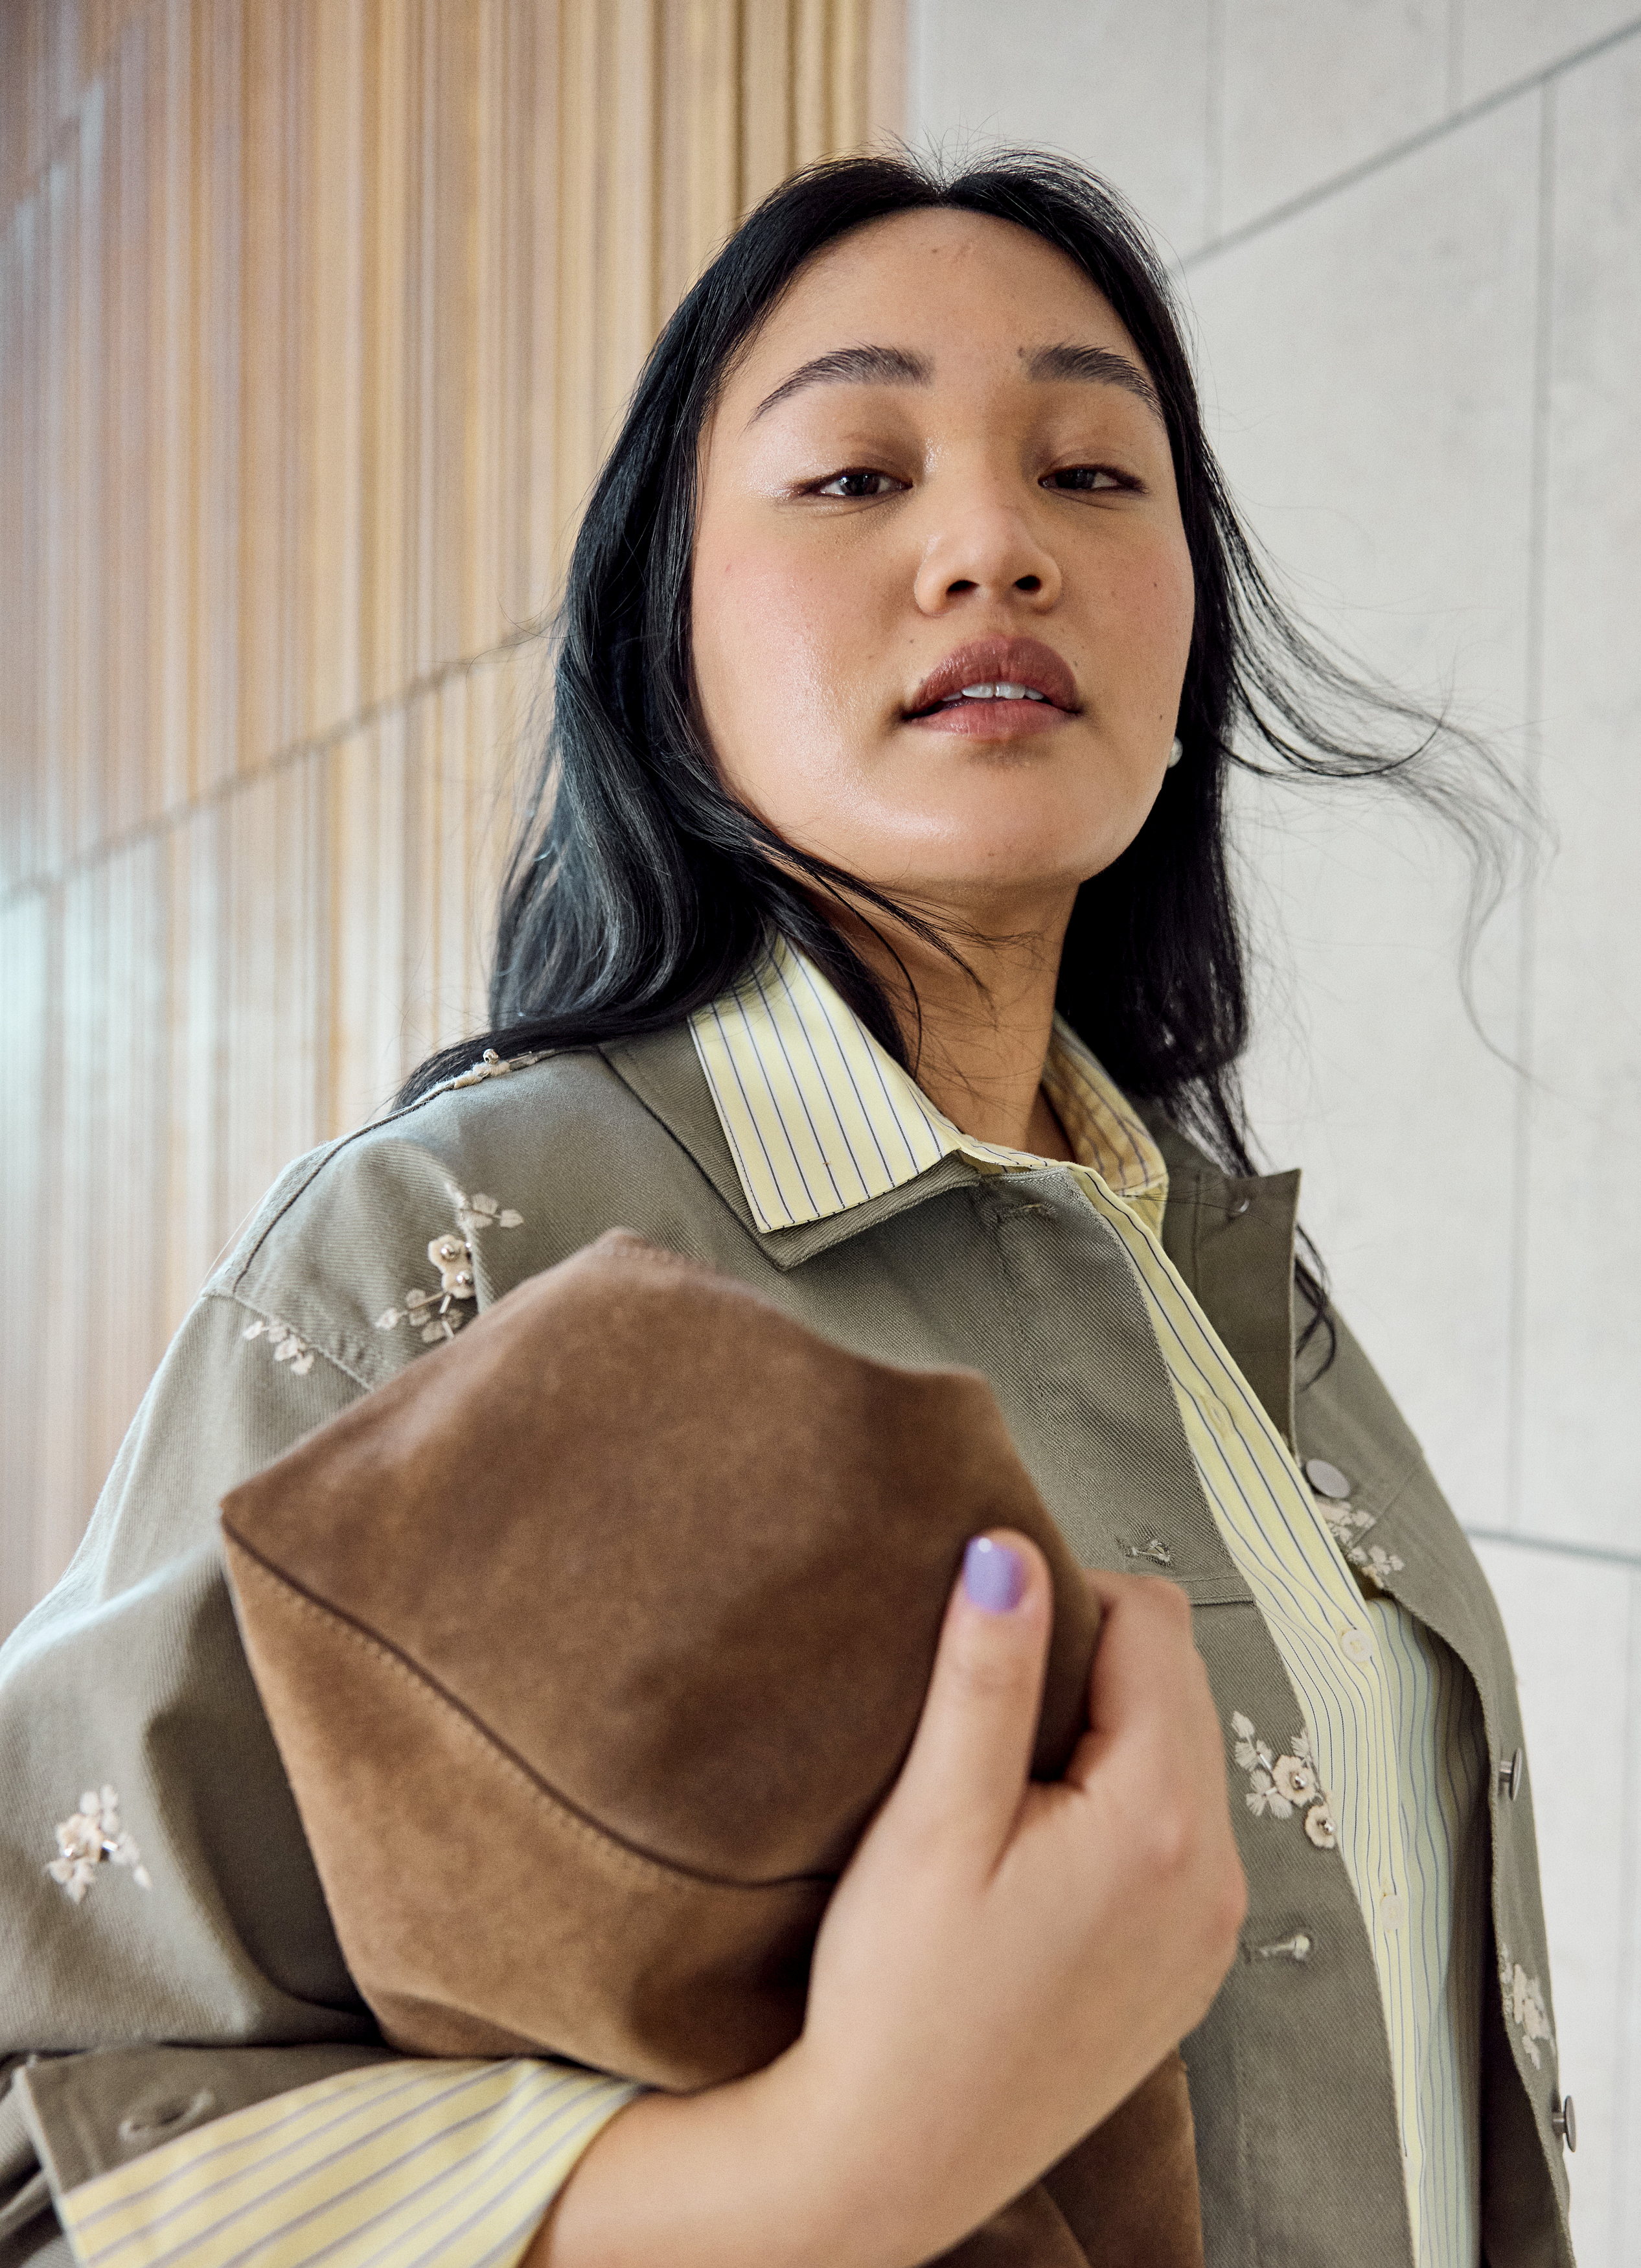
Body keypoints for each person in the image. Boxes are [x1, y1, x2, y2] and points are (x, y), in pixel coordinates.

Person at [0, 151, 1570, 2268]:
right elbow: (46, 2154)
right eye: (854, 475)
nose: (995, 544)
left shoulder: (1225, 1273)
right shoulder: (445, 1257)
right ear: (667, 632)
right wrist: (824, 2171)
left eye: (1093, 473)